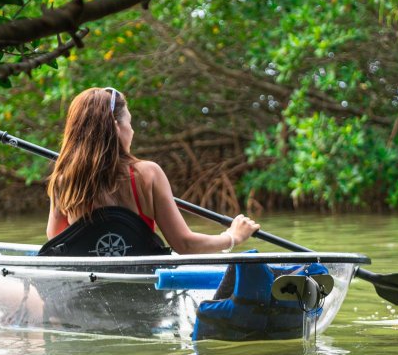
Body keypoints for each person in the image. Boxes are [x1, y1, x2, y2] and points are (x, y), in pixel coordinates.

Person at [42, 86, 259, 256]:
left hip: (87, 294)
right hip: (141, 292)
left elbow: (57, 239)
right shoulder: (148, 174)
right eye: (130, 123)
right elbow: (184, 245)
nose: (133, 131)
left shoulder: (64, 180)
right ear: (117, 127)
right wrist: (232, 237)